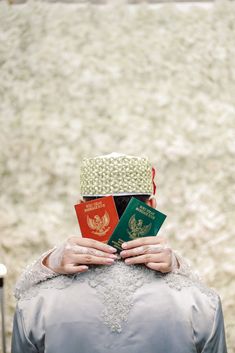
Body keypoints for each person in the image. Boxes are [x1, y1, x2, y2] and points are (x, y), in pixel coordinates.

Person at [11, 153, 227, 353]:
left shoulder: (34, 305)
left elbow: (18, 293)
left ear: (81, 207)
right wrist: (179, 266)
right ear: (150, 206)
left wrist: (48, 263)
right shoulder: (202, 304)